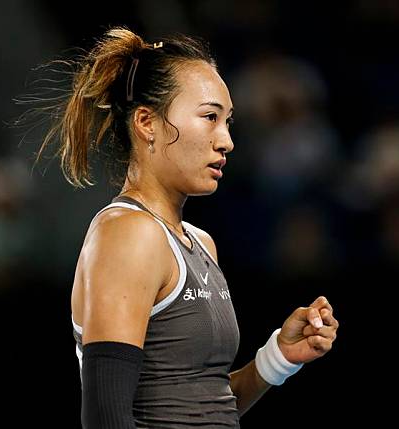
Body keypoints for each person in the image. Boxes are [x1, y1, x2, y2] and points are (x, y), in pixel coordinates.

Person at [33, 27, 339, 428]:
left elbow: (198, 405)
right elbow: (107, 417)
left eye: (228, 122)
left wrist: (276, 358)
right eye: (210, 117)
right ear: (147, 122)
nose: (226, 140)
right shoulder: (127, 232)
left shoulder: (200, 242)